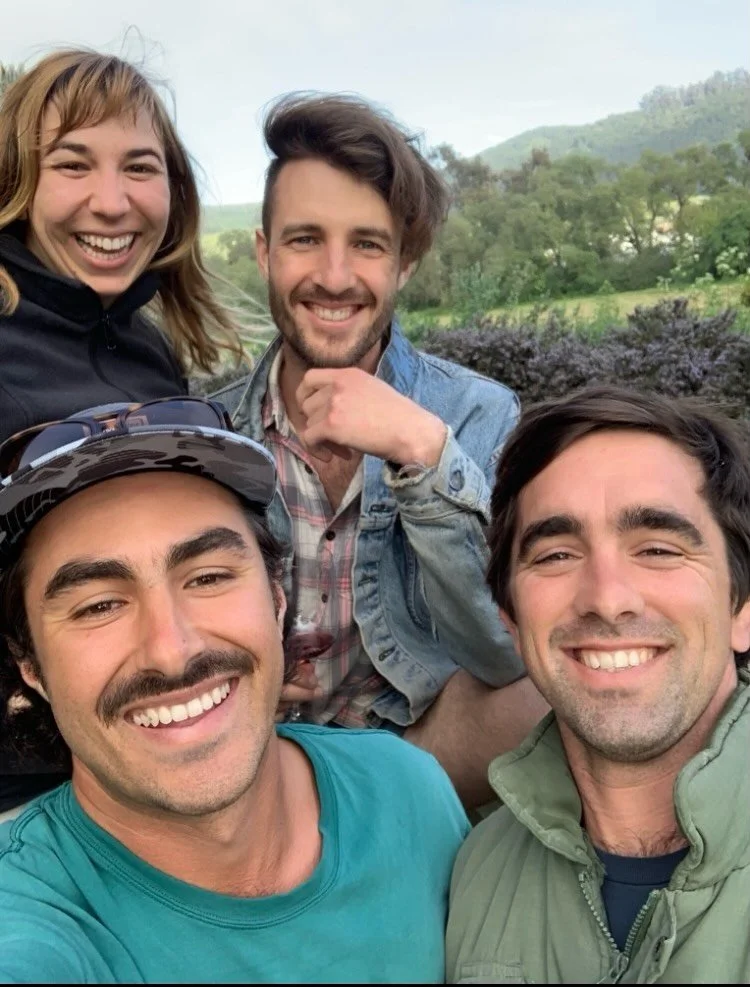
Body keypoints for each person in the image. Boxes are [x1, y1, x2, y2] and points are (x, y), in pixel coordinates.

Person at [0, 398, 468, 984]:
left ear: (277, 598)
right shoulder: (28, 922)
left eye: (209, 577)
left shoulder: (407, 790)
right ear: (30, 664)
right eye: (99, 606)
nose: (172, 651)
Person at [214, 94, 547, 808]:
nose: (335, 276)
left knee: (541, 696)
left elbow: (501, 654)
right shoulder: (213, 430)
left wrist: (421, 452)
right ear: (265, 252)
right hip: (249, 754)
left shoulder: (475, 412)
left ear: (404, 264)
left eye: (367, 244)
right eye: (305, 239)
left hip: (417, 747)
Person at [0, 48, 244, 813]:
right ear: (17, 179)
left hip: (137, 759)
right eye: (73, 165)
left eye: (139, 167)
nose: (112, 203)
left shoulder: (146, 345)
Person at [446, 386, 750, 984]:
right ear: (512, 620)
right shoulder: (476, 871)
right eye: (555, 555)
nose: (607, 599)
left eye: (658, 549)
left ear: (742, 608)